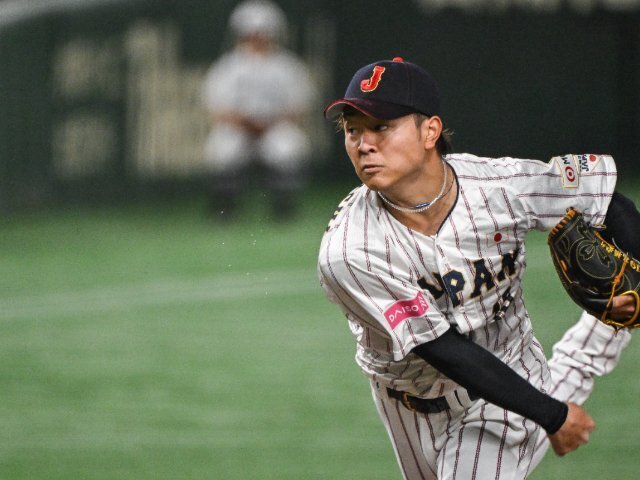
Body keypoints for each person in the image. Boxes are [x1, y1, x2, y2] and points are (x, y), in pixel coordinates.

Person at [317, 57, 638, 479]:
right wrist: (554, 414)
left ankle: (587, 353)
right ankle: (590, 349)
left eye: (382, 127)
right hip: (405, 403)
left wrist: (546, 414)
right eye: (352, 130)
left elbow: (607, 198)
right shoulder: (349, 250)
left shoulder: (498, 188)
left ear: (430, 131)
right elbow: (443, 349)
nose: (364, 143)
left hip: (509, 371)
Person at [201, 0, 316, 220]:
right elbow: (216, 109)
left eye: (262, 32)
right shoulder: (228, 66)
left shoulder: (286, 66)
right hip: (237, 128)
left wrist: (269, 123)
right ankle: (224, 209)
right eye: (251, 32)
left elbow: (299, 106)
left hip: (274, 126)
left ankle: (283, 208)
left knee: (288, 145)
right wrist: (245, 123)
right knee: (222, 147)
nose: (257, 37)